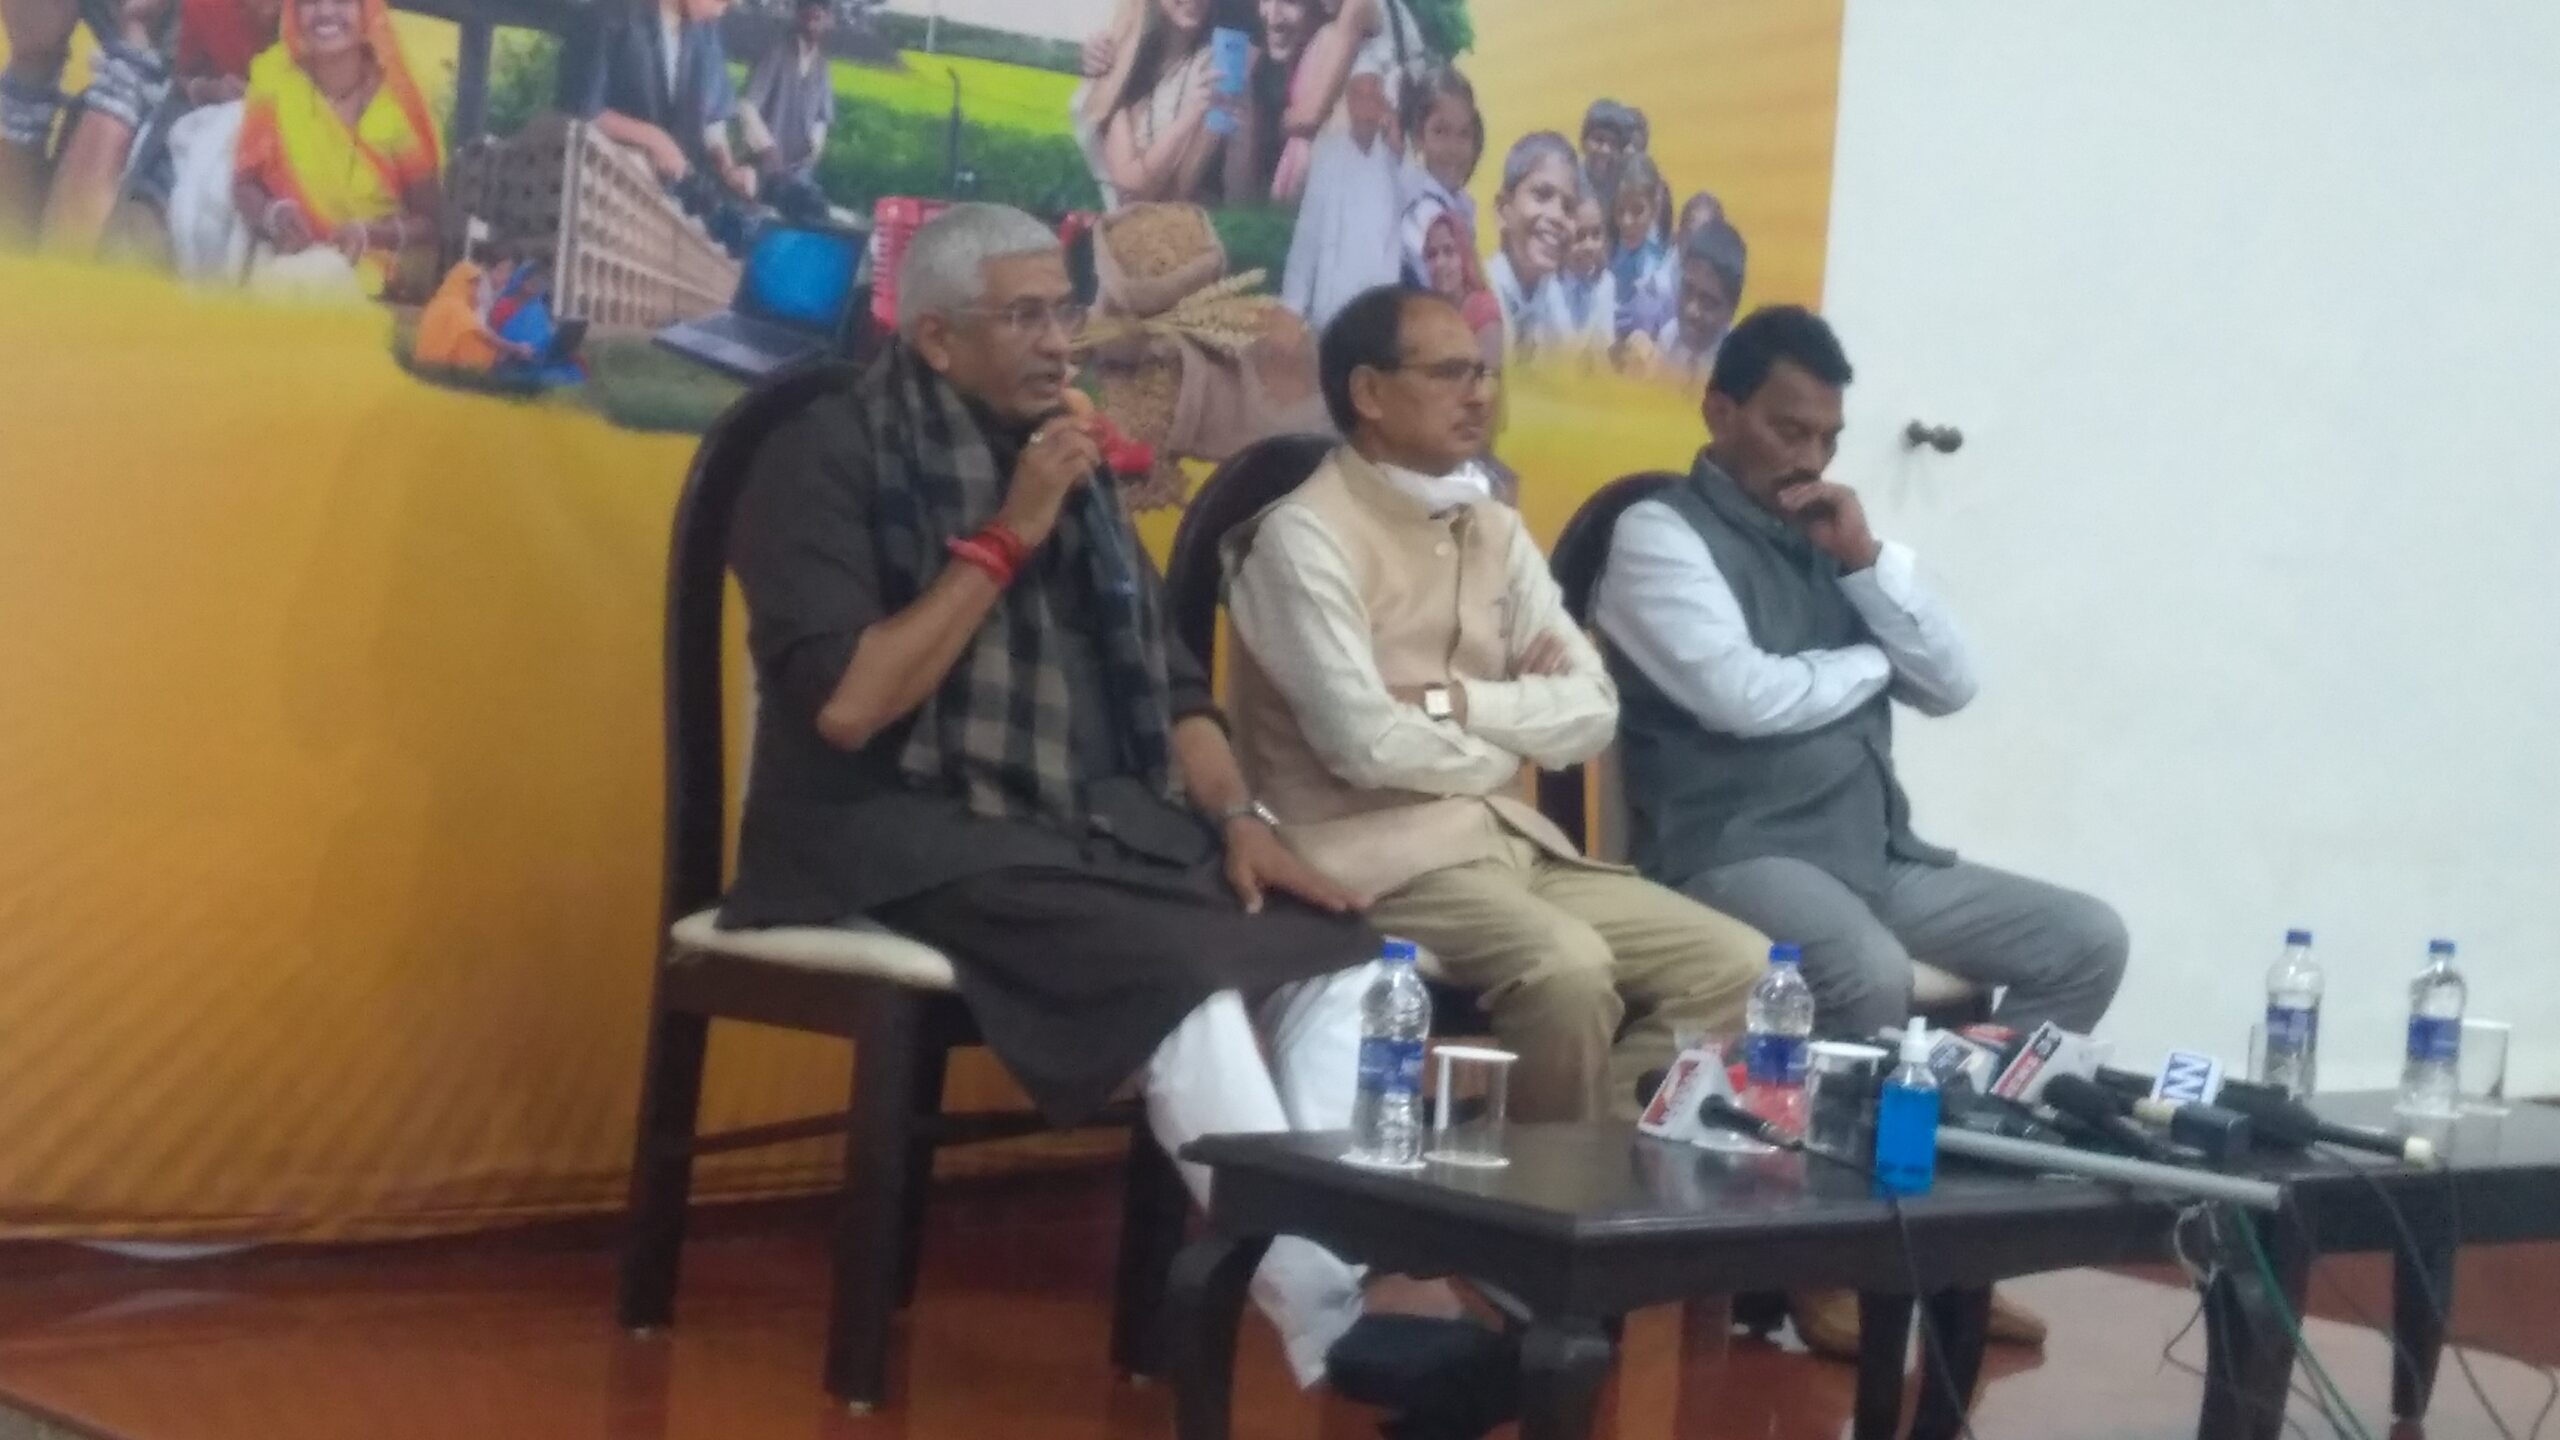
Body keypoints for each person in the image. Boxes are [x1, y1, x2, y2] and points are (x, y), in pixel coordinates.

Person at [719, 204, 1517, 1437]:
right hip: (891, 827)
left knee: (1345, 959)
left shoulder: (1068, 457)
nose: (1062, 342)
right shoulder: (824, 456)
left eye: (1065, 310)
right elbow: (849, 706)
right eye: (1025, 316)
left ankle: (1367, 1271)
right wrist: (1008, 531)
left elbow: (1173, 688)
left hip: (1084, 829)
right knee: (1179, 984)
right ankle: (1341, 1316)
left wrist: (1241, 817)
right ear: (935, 338)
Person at [1589, 304, 2128, 1357]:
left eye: (1827, 437)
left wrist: (1867, 561)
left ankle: (1953, 1228)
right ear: (1720, 412)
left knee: (2084, 942)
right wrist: (1874, 659)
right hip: (1728, 853)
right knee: (1862, 973)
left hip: (1873, 854)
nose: (1809, 459)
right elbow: (1740, 697)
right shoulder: (1658, 534)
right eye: (1787, 430)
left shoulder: (1833, 540)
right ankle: (1823, 1256)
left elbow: (1953, 683)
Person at [1221, 284, 1769, 1124]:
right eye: (1450, 373)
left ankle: (1585, 1160)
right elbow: (1363, 745)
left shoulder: (1494, 526)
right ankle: (1543, 1192)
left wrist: (1454, 703)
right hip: (1374, 862)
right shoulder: (1301, 537)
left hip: (1511, 844)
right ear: (1369, 392)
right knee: (1569, 970)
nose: (1480, 394)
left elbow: (1593, 711)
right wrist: (1519, 732)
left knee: (1742, 967)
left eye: (1484, 372)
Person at [230, 0, 441, 298]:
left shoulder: (396, 101)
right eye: (310, 2)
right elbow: (244, 182)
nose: (325, 12)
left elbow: (432, 220)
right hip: (293, 256)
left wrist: (370, 234)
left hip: (382, 264)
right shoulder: (275, 76)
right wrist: (274, 215)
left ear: (367, 10)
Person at [564, 0, 762, 254]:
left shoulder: (706, 32)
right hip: (602, 199)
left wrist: (729, 169)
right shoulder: (607, 15)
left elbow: (713, 124)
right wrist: (653, 138)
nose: (721, 10)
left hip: (665, 212)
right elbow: (581, 110)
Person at [1073, 0, 1235, 208]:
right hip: (1112, 218)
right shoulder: (1119, 59)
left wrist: (1194, 114)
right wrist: (1190, 117)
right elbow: (1129, 184)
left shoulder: (1216, 67)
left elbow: (1161, 191)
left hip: (1171, 223)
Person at [1280, 66, 1402, 333]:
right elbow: (1307, 236)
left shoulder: (1393, 165)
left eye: (1373, 96)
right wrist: (1291, 309)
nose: (1366, 104)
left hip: (1380, 311)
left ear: (1383, 104)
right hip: (1332, 311)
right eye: (1359, 95)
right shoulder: (1328, 154)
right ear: (1349, 101)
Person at [1484, 131, 1579, 361]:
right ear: (1503, 210)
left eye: (1568, 207)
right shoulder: (1480, 297)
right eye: (1542, 195)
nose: (1557, 216)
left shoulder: (1553, 300)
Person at [740, 0, 836, 221]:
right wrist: (767, 147)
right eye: (808, 17)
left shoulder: (822, 65)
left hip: (798, 172)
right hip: (761, 168)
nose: (812, 25)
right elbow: (748, 106)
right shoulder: (775, 53)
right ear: (797, 17)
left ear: (829, 21)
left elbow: (822, 117)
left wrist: (814, 147)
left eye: (818, 19)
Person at [1646, 218, 1745, 379]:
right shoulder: (1667, 340)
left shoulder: (1737, 371)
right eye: (1687, 290)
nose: (1691, 310)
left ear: (1731, 310)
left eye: (1708, 302)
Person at [1608, 151, 1676, 343]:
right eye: (1620, 211)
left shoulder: (1668, 258)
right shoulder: (1607, 250)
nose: (1626, 222)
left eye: (1637, 211)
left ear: (1655, 205)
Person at [1549, 190, 1615, 355]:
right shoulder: (1547, 287)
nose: (1589, 246)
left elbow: (1606, 344)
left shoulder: (1606, 283)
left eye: (1596, 234)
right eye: (1579, 236)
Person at [1576, 98, 1635, 203]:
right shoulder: (1571, 179)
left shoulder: (1625, 184)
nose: (1605, 150)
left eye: (1613, 143)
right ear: (1584, 142)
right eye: (1599, 139)